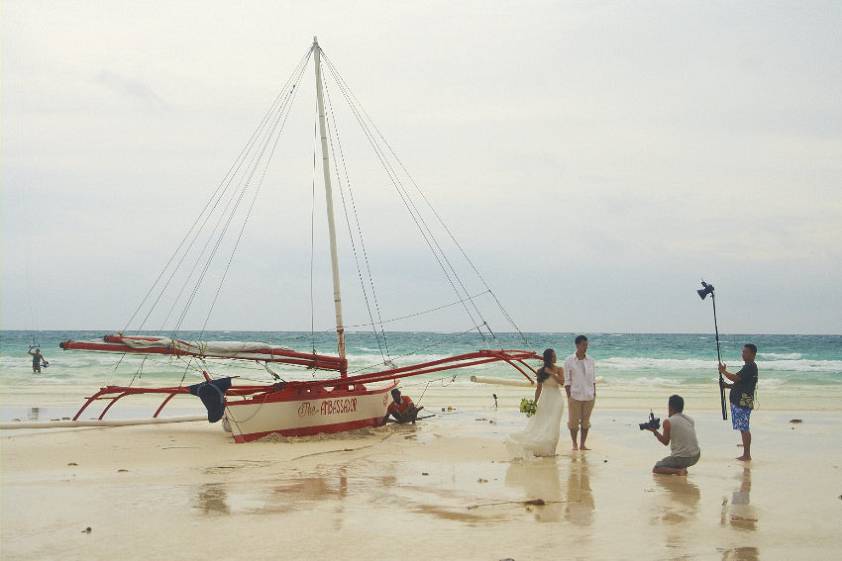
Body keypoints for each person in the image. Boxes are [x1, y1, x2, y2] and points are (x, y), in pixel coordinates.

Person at [507, 348, 565, 457]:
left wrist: (552, 373)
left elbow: (562, 382)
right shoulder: (540, 371)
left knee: (554, 424)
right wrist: (534, 403)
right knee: (542, 423)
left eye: (555, 355)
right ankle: (541, 447)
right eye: (553, 356)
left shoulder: (559, 369)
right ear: (549, 359)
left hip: (557, 400)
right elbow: (539, 388)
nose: (555, 358)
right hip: (545, 399)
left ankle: (551, 450)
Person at [719, 343, 759, 461]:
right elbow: (740, 384)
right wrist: (726, 386)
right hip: (740, 401)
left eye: (745, 352)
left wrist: (723, 372)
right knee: (743, 428)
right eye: (743, 352)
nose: (743, 354)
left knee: (744, 428)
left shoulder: (750, 366)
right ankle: (746, 452)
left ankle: (747, 454)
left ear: (752, 354)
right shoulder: (748, 367)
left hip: (742, 402)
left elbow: (736, 378)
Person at [647, 394, 701, 476]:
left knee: (657, 468)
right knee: (682, 455)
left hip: (682, 458)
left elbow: (665, 442)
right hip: (696, 456)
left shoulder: (668, 422)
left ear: (670, 407)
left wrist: (655, 432)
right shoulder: (689, 419)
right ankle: (682, 467)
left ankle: (679, 471)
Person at [564, 335, 596, 450]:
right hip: (575, 396)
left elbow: (593, 379)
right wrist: (569, 396)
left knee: (586, 423)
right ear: (577, 345)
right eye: (583, 345)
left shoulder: (591, 360)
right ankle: (574, 444)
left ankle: (582, 444)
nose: (586, 347)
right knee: (573, 423)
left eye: (587, 345)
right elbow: (567, 381)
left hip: (589, 396)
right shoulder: (569, 360)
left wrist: (594, 394)